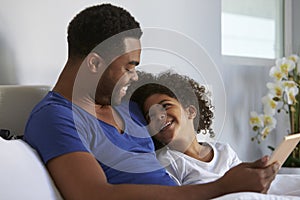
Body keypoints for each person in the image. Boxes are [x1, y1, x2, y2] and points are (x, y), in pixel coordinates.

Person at [24, 3, 279, 200]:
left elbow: (184, 143)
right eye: (129, 67)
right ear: (94, 63)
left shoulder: (131, 108)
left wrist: (237, 176)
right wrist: (220, 187)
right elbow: (95, 195)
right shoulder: (56, 118)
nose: (134, 76)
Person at [128, 70, 242, 185]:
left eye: (166, 106)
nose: (159, 116)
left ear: (191, 112)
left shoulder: (224, 151)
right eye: (151, 116)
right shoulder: (167, 162)